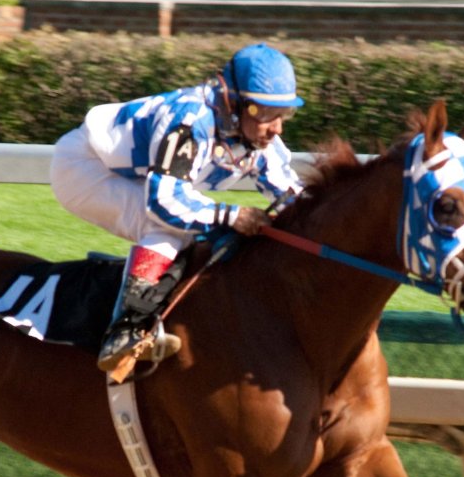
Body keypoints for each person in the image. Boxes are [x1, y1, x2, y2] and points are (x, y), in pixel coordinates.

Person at [49, 42, 307, 374]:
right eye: (266, 114)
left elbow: (293, 195)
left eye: (284, 114)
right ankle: (125, 331)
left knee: (197, 228)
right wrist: (232, 214)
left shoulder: (255, 133)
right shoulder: (190, 121)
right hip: (85, 168)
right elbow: (164, 203)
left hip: (135, 175)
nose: (277, 128)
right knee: (168, 227)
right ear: (234, 102)